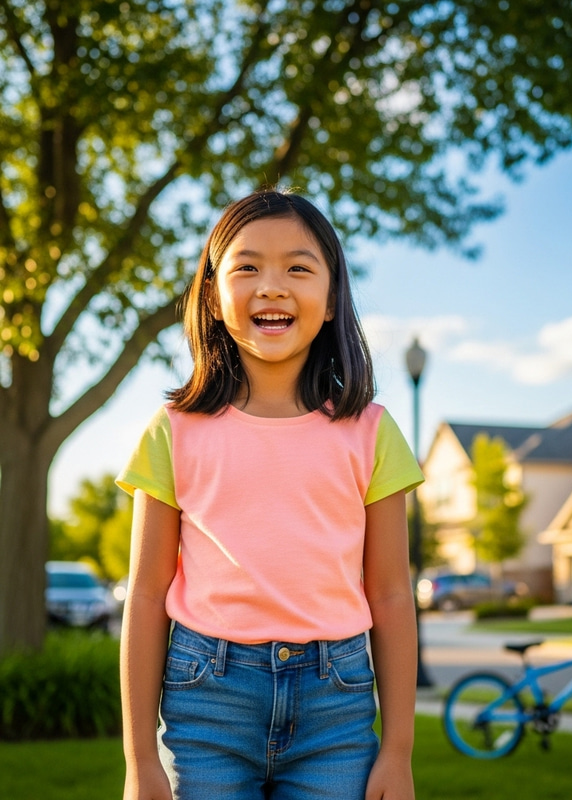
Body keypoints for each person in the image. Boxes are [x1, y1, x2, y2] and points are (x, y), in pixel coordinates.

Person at [117, 189, 423, 800]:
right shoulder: (173, 431)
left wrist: (399, 752)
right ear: (213, 296)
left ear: (333, 297)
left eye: (299, 268)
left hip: (335, 712)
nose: (273, 286)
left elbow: (390, 594)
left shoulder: (371, 431)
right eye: (247, 266)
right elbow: (147, 595)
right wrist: (139, 761)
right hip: (208, 703)